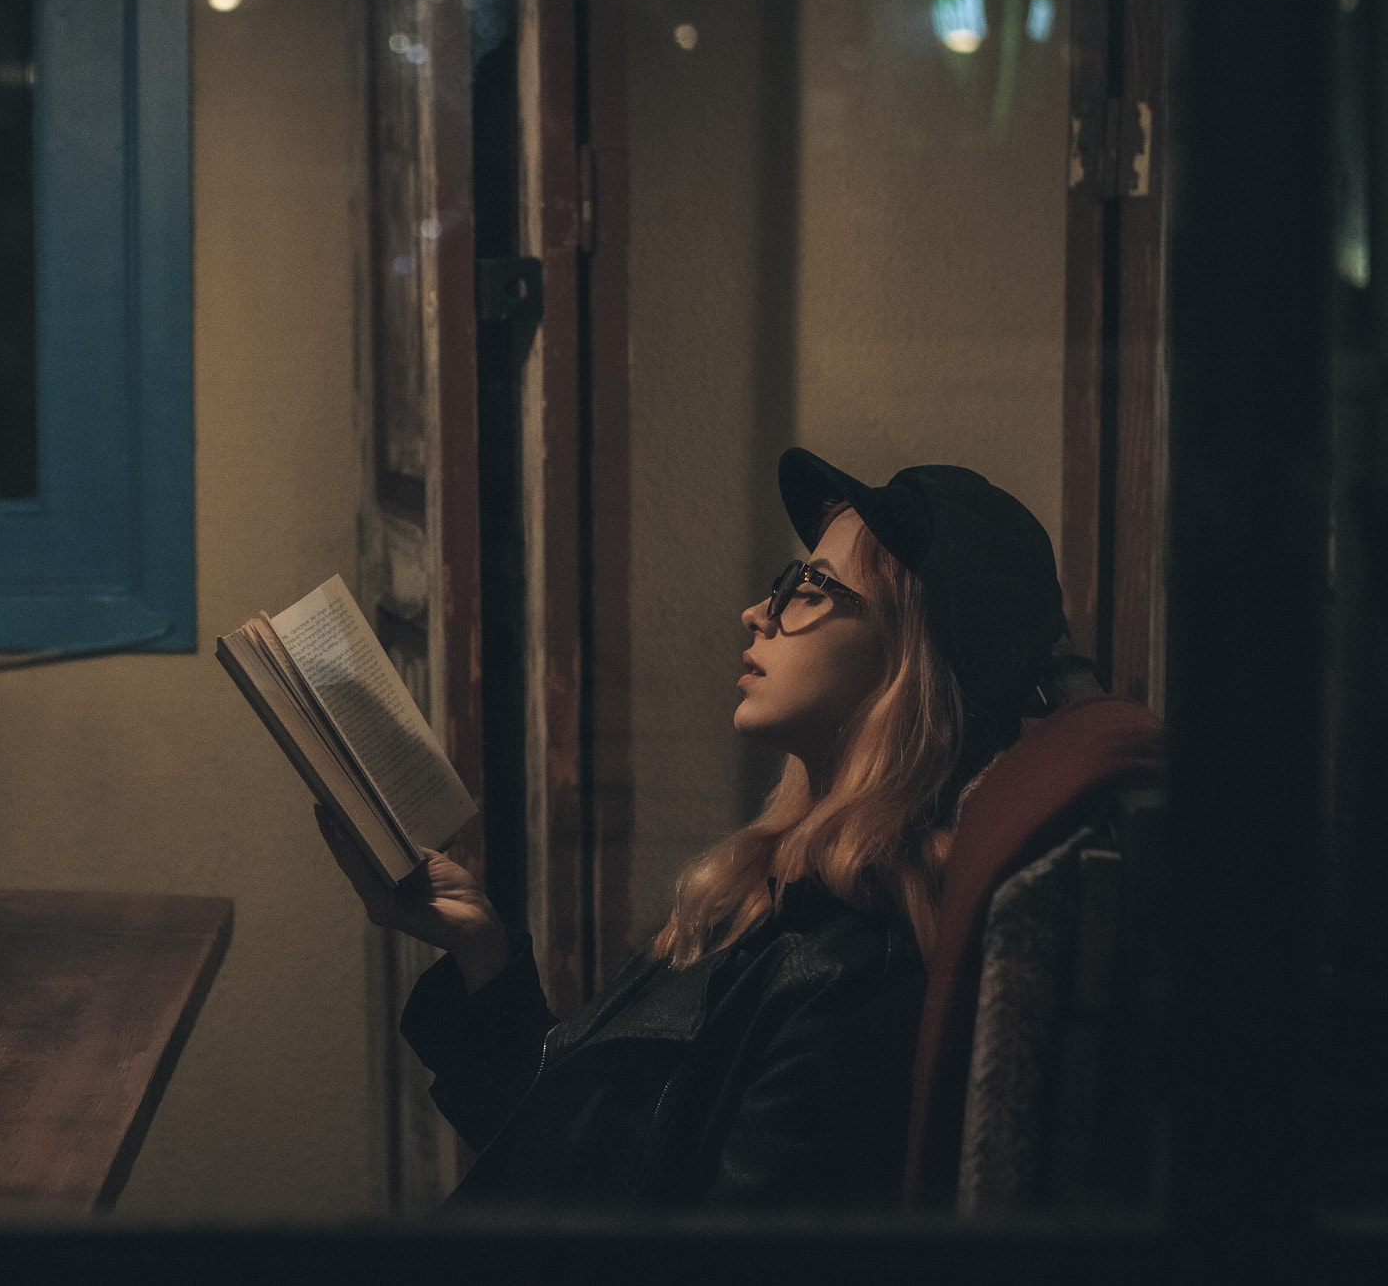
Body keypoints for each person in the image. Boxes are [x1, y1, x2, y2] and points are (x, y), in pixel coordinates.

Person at [316, 447, 1068, 1210]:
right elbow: (585, 1162)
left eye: (811, 587)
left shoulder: (861, 982)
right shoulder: (778, 886)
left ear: (909, 654)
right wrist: (480, 946)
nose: (759, 612)